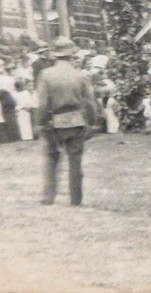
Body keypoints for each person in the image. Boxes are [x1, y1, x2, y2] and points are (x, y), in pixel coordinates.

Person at [35, 37, 98, 206]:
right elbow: (91, 101)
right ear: (72, 55)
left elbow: (42, 104)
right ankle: (76, 200)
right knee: (75, 163)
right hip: (77, 121)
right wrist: (92, 123)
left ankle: (49, 197)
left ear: (54, 55)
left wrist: (40, 123)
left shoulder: (46, 75)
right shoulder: (80, 75)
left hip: (55, 122)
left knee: (51, 160)